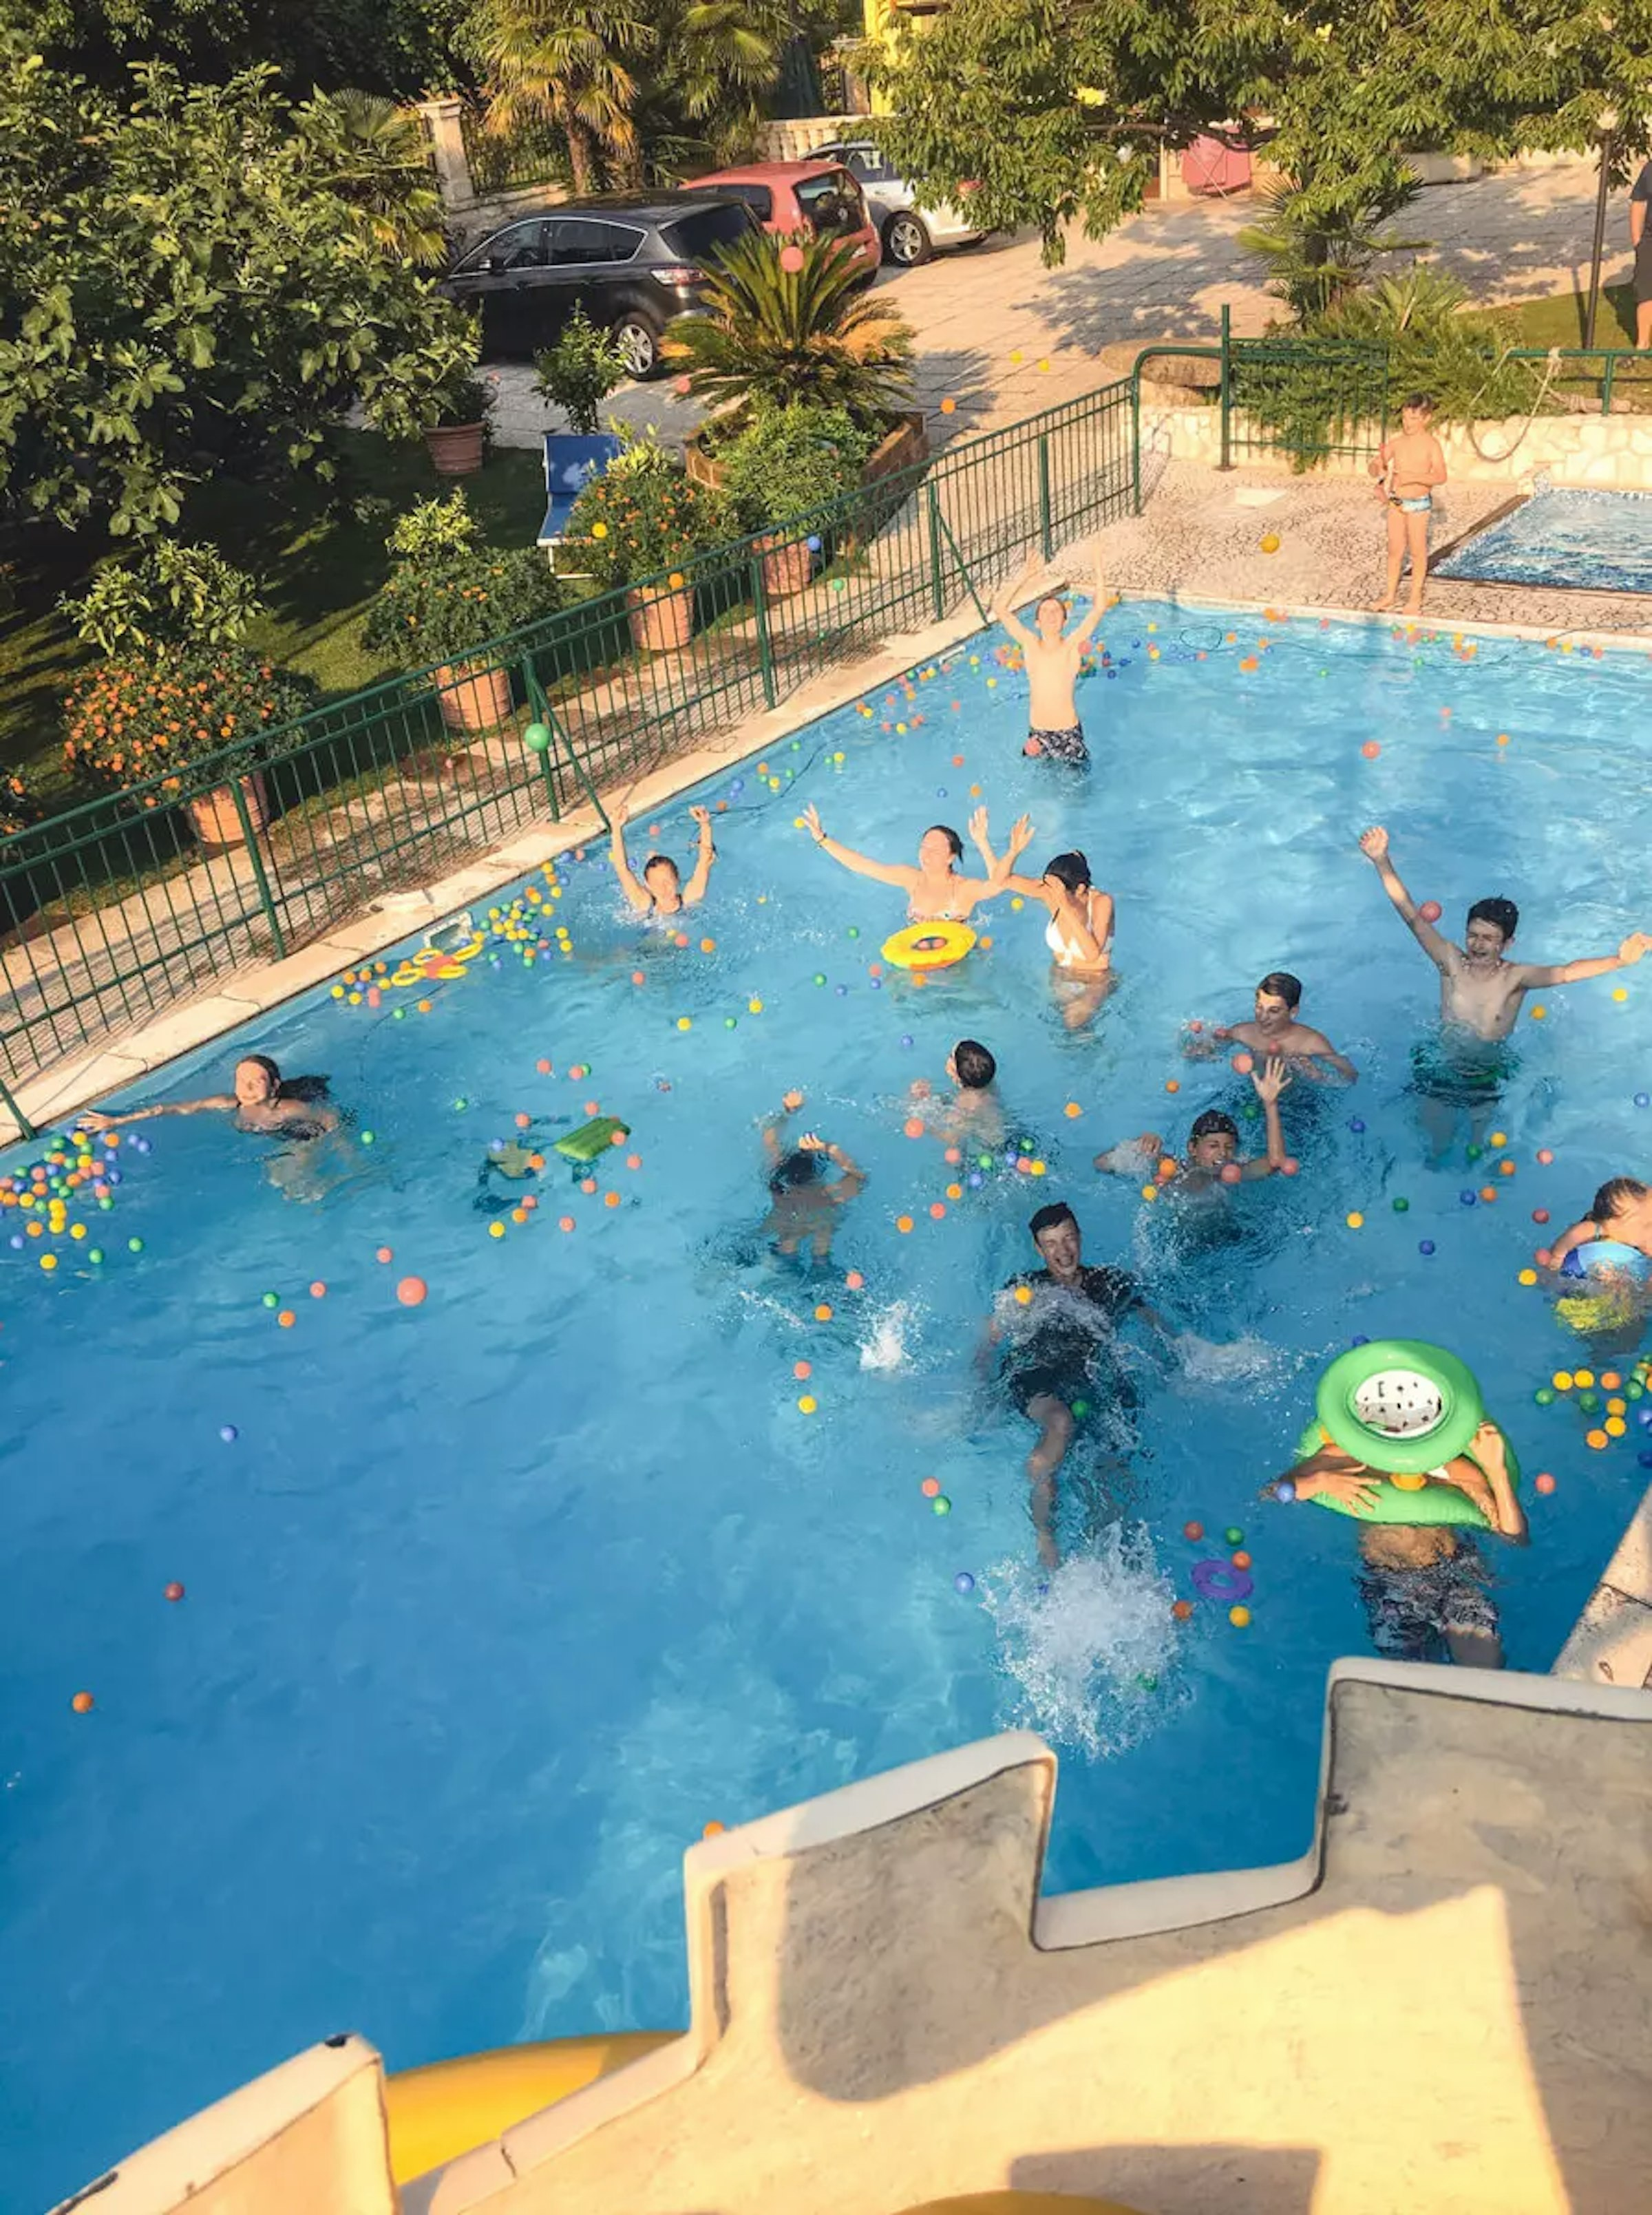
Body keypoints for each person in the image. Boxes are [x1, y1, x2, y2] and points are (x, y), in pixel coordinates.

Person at [1359, 824, 1651, 1149]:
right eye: (1473, 935)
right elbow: (1410, 915)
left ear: (1507, 943)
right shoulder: (1449, 963)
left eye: (1489, 939)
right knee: (1436, 1146)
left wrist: (1619, 961)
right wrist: (1381, 860)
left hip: (1486, 1076)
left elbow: (1566, 972)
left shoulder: (1516, 978)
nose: (1477, 945)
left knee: (1478, 1146)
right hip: (1440, 1068)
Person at [976, 1201, 1153, 1567]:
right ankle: (1045, 1534)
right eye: (1051, 1243)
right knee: (1060, 1423)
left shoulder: (1110, 1282)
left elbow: (1157, 1325)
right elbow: (988, 1342)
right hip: (1036, 1374)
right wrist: (981, 1386)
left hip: (1092, 1378)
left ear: (1080, 1238)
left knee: (1109, 1471)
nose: (1063, 1250)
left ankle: (1102, 1559)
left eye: (1069, 1238)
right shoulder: (1025, 1288)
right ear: (1039, 1251)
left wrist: (1184, 1363)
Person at [1264, 1420, 1525, 1667]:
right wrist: (1320, 1481)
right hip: (1390, 1583)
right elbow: (1273, 1492)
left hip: (1452, 1572)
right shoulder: (1345, 1456)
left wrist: (1496, 1472)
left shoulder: (1452, 1468)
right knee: (1408, 1677)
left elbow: (1513, 1537)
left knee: (1481, 1660)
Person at [988, 541, 1109, 762]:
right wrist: (1025, 575)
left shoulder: (1072, 645)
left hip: (1069, 734)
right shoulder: (1030, 644)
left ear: (1065, 621)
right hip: (1038, 735)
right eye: (1045, 610)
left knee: (1075, 791)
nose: (1051, 614)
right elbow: (1000, 610)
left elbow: (1099, 607)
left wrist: (1098, 565)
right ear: (1036, 622)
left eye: (1056, 611)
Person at [1094, 1059, 1293, 1191]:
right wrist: (1140, 1144)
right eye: (1213, 1146)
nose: (1223, 1154)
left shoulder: (1237, 1171)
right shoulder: (1173, 1170)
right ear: (1192, 1148)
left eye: (1229, 1147)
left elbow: (1276, 1163)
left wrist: (1271, 1103)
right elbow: (1101, 1163)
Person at [800, 803, 1008, 922]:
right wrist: (822, 839)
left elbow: (998, 885)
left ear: (951, 857)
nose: (926, 855)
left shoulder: (963, 890)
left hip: (957, 967)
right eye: (924, 848)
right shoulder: (911, 879)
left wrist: (981, 842)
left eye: (935, 851)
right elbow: (863, 866)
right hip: (914, 962)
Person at [78, 1055, 337, 1140]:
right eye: (240, 1081)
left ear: (274, 1086)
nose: (246, 1087)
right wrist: (117, 1123)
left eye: (255, 1081)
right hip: (272, 1138)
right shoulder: (228, 1103)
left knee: (298, 1180)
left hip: (300, 1138)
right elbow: (175, 1109)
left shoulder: (289, 1109)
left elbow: (329, 1118)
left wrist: (342, 1147)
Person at [1189, 971, 1356, 1082]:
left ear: (1293, 1011)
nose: (1262, 1017)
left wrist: (1319, 1077)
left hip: (1301, 1101)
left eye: (1274, 1011)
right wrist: (1201, 1049)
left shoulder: (1312, 1043)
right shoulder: (1243, 1032)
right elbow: (1209, 1049)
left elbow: (1351, 1077)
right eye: (1259, 1007)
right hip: (1255, 1094)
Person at [759, 1090, 865, 1262]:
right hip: (818, 1225)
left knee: (786, 1245)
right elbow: (859, 1178)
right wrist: (830, 1149)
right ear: (816, 1177)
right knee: (821, 1245)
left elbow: (769, 1138)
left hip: (782, 1230)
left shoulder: (778, 1190)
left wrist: (787, 1112)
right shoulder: (826, 1195)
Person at [1368, 394, 1447, 616]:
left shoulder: (1431, 445)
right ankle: (1390, 595)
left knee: (1417, 551)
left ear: (1427, 418)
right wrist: (1377, 469)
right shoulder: (1397, 443)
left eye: (1413, 419)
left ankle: (1415, 597)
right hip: (1396, 503)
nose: (1407, 423)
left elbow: (1441, 476)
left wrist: (1413, 477)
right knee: (1395, 550)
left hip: (1418, 505)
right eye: (1404, 417)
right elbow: (1377, 464)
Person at [610, 804, 715, 915]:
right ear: (649, 886)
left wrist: (705, 824)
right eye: (656, 884)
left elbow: (705, 860)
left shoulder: (691, 898)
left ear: (677, 879)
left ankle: (652, 858)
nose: (663, 889)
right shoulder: (644, 904)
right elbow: (622, 868)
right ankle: (652, 858)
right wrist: (616, 827)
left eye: (667, 882)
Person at [1538, 1176, 1652, 1273]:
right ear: (1612, 1224)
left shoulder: (1633, 1238)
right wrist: (1555, 1262)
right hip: (1581, 1274)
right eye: (1647, 1224)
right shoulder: (1592, 1230)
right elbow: (1568, 1241)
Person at [909, 1038, 1006, 1148]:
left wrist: (925, 1125)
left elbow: (952, 1139)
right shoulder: (986, 1080)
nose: (948, 1058)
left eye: (951, 1056)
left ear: (955, 1071)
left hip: (991, 1149)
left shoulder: (966, 1103)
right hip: (1003, 1137)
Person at [1631, 156, 1652, 350]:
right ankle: (1642, 344)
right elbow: (1638, 203)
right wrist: (1637, 240)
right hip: (1650, 242)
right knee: (1646, 294)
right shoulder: (1649, 170)